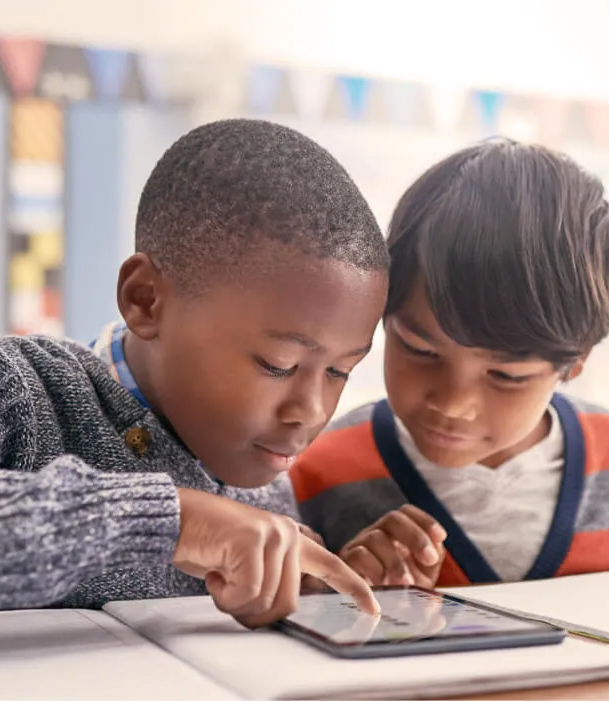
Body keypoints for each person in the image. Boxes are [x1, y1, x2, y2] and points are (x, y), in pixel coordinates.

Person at [0, 119, 388, 625]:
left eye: (340, 371)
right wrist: (173, 521)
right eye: (279, 365)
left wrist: (318, 585)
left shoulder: (264, 475)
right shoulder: (24, 389)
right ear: (146, 300)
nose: (311, 411)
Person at [291, 138, 609, 589]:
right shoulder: (319, 472)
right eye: (419, 349)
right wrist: (333, 596)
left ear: (575, 363)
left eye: (507, 376)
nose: (453, 403)